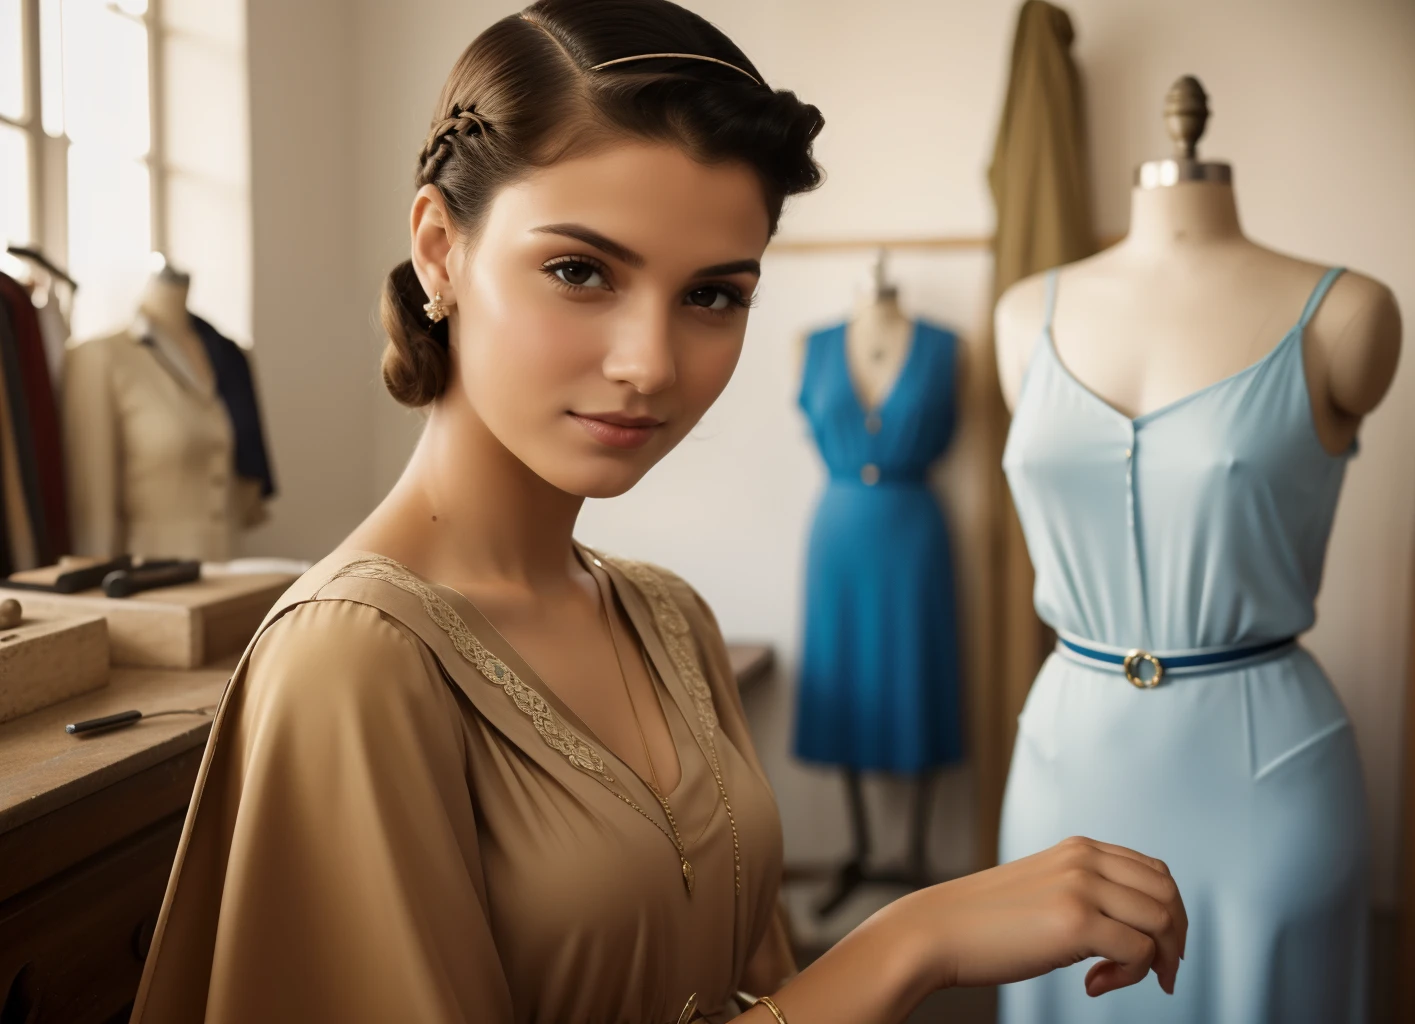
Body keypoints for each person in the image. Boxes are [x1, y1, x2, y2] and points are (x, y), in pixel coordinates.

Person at [128, 3, 1186, 1022]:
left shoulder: (669, 620)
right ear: (440, 250)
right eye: (580, 270)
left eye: (713, 295)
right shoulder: (351, 661)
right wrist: (909, 944)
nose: (650, 364)